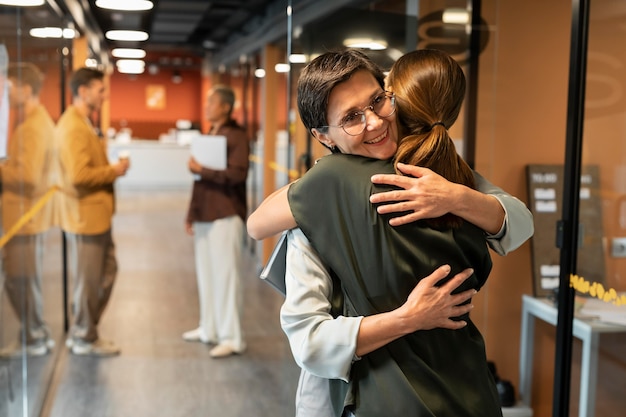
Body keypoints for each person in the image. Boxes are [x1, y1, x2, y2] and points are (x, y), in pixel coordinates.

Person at [247, 49, 533, 416]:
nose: (375, 122)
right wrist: (409, 317)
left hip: (451, 382)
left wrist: (454, 196)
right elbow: (310, 342)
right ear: (323, 136)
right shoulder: (320, 201)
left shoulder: (432, 171)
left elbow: (520, 222)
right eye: (351, 117)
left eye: (378, 101)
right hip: (372, 392)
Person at [56, 67, 129, 356]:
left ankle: (85, 330)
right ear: (83, 91)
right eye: (101, 90)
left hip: (95, 217)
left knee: (105, 272)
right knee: (89, 281)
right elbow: (79, 175)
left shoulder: (83, 122)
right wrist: (113, 171)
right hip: (85, 218)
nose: (105, 96)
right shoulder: (73, 126)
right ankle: (84, 336)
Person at [182, 84, 249, 358]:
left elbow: (237, 175)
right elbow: (200, 182)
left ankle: (232, 337)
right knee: (206, 273)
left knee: (226, 276)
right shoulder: (210, 133)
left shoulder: (237, 136)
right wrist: (191, 213)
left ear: (225, 107)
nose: (207, 107)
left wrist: (203, 169)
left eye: (212, 103)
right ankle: (208, 328)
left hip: (225, 214)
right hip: (205, 213)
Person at [0, 62, 56, 357]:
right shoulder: (34, 122)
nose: (6, 93)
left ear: (25, 89)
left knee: (20, 281)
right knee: (22, 280)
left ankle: (34, 338)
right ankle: (33, 335)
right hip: (26, 217)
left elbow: (28, 177)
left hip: (24, 218)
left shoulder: (33, 127)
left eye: (9, 87)